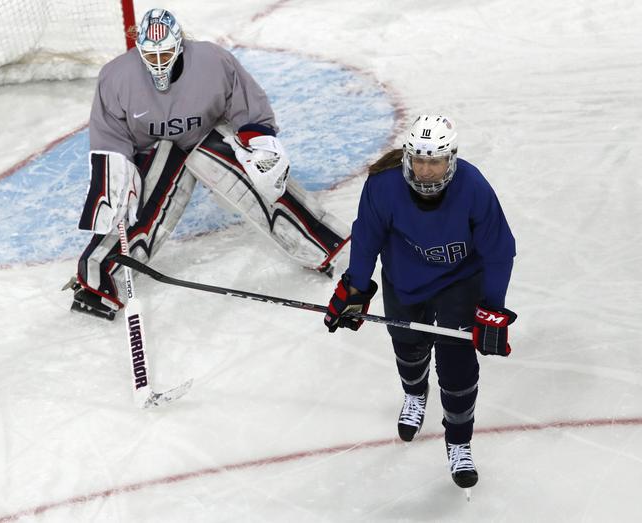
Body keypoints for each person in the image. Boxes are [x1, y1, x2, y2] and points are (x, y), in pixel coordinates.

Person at [66, 8, 349, 320]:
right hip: (156, 151)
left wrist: (261, 145)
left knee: (261, 180)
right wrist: (117, 175)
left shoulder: (213, 61)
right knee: (134, 205)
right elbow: (110, 133)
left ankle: (328, 246)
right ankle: (98, 279)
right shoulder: (116, 76)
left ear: (180, 44)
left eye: (166, 53)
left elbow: (246, 105)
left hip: (209, 138)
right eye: (150, 54)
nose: (159, 62)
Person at [323, 114, 516, 491]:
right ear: (409, 157)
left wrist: (491, 308)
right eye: (420, 159)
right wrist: (354, 290)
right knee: (408, 348)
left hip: (460, 281)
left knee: (457, 365)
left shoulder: (473, 187)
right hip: (405, 279)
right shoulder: (383, 186)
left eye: (436, 160)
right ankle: (415, 394)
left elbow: (499, 252)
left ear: (451, 159)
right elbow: (366, 239)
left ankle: (459, 442)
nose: (427, 170)